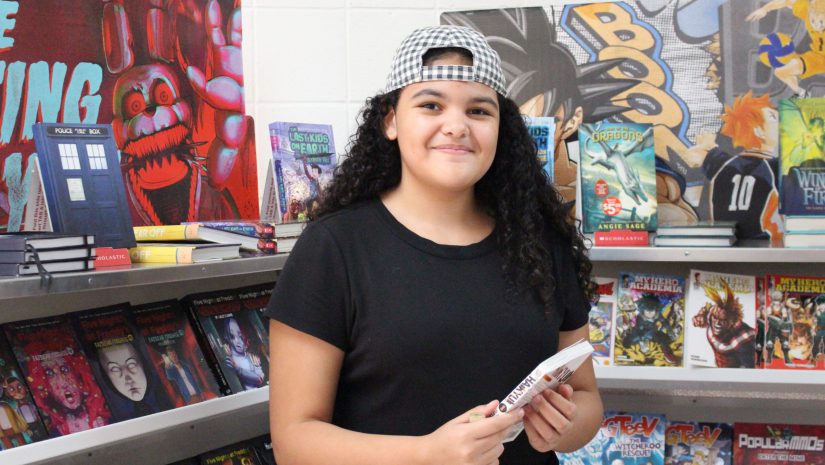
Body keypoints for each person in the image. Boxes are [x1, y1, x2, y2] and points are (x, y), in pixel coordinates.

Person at [265, 25, 602, 465]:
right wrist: (426, 454)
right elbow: (294, 441)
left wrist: (563, 426)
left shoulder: (539, 242)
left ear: (502, 127)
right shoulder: (333, 248)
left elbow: (589, 399)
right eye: (430, 105)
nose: (457, 126)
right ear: (390, 120)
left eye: (479, 111)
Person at [223, 317, 265, 391]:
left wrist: (257, 367)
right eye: (232, 336)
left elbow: (260, 379)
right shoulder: (229, 359)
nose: (238, 341)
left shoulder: (250, 355)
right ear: (226, 337)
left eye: (240, 336)